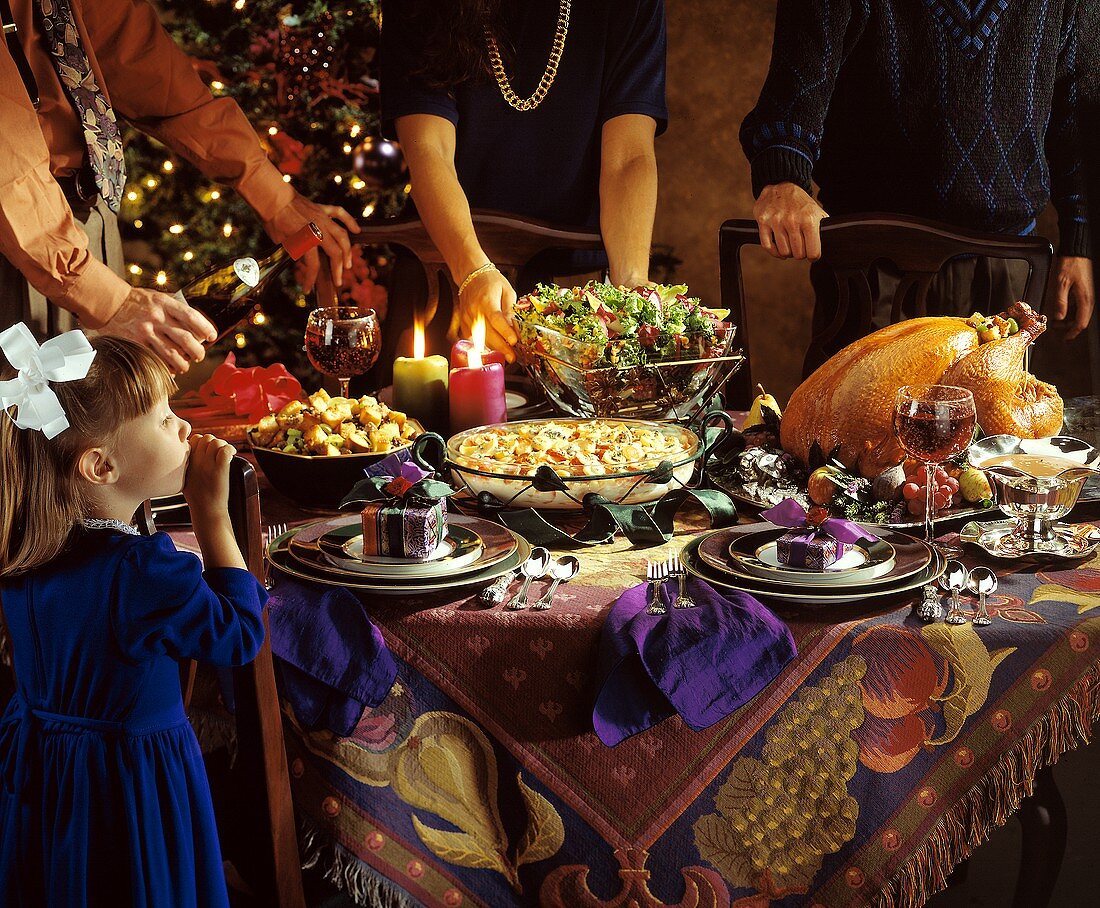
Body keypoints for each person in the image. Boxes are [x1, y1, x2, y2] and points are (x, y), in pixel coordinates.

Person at [0, 325, 266, 906]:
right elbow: (240, 637)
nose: (183, 425)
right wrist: (212, 516)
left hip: (47, 775)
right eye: (161, 416)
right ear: (101, 466)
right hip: (130, 783)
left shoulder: (24, 554)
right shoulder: (142, 573)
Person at [0, 0, 358, 373]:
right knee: (20, 422)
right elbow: (8, 163)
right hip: (18, 239)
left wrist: (275, 196)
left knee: (101, 422)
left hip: (89, 224)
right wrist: (110, 300)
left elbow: (145, 69)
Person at [740, 1, 1095, 372]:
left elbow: (1078, 111)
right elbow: (795, 80)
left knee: (999, 426)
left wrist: (1081, 239)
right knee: (857, 423)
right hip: (875, 263)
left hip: (1007, 261)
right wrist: (782, 175)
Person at [377, 0, 667, 371]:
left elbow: (629, 156)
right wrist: (473, 271)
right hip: (448, 283)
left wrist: (630, 289)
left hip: (579, 295)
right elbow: (429, 152)